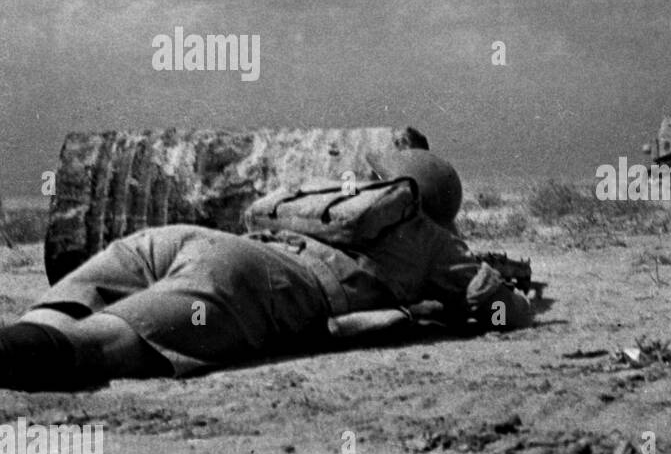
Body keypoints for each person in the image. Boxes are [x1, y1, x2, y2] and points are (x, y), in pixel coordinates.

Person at [0, 150, 533, 392]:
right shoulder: (431, 238)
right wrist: (495, 289)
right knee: (97, 345)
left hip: (192, 239)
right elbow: (504, 310)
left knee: (54, 315)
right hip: (255, 281)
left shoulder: (331, 198)